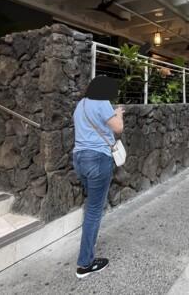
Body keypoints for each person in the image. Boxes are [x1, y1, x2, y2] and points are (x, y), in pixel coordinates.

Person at [73, 75, 124, 279]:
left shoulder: (81, 105)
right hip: (97, 159)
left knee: (91, 206)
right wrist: (118, 113)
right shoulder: (103, 103)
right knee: (94, 211)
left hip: (79, 159)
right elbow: (118, 128)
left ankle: (89, 244)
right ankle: (85, 264)